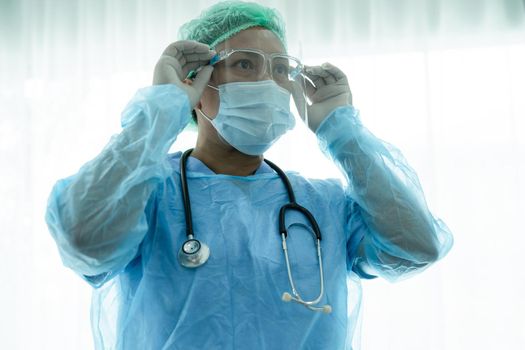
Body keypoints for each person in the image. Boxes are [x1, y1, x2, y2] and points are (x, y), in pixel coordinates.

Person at [46, 1, 453, 349]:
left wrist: (343, 133)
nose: (268, 83)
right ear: (197, 84)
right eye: (244, 63)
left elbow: (415, 247)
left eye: (280, 71)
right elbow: (83, 237)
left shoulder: (322, 205)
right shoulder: (148, 193)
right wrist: (161, 110)